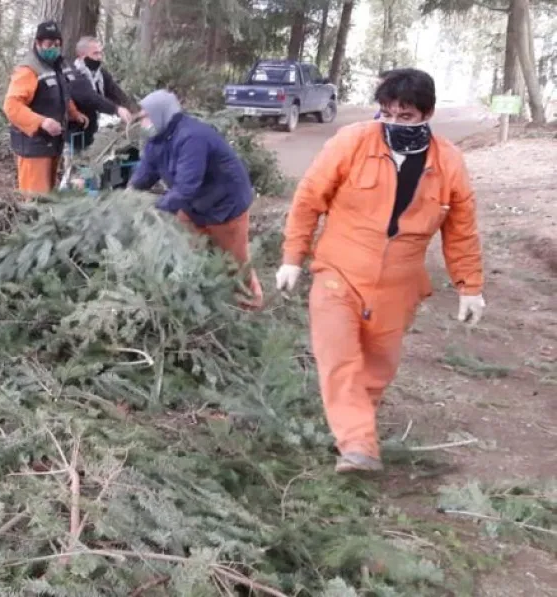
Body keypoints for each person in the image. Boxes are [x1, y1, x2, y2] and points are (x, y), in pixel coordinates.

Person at [275, 68, 485, 473]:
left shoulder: (448, 163)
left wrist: (470, 286)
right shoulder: (352, 142)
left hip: (399, 285)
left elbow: (461, 230)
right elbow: (308, 199)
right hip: (338, 272)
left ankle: (353, 433)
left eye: (405, 116)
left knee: (377, 367)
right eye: (387, 114)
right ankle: (358, 444)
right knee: (339, 357)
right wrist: (292, 257)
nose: (394, 123)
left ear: (427, 115)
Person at [129, 90, 264, 309]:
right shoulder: (157, 140)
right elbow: (146, 173)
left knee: (235, 262)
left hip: (225, 205)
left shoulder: (192, 137)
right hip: (194, 205)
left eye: (146, 116)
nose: (144, 123)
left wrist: (155, 208)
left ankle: (251, 304)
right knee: (185, 250)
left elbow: (186, 187)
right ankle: (200, 301)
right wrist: (127, 195)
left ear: (161, 113)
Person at [2, 21, 88, 195]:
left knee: (49, 197)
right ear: (38, 43)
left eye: (57, 44)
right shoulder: (28, 70)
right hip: (33, 147)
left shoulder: (57, 66)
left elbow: (61, 95)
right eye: (49, 44)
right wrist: (41, 122)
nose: (54, 49)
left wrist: (73, 113)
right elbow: (11, 106)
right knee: (35, 200)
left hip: (52, 144)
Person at [66, 36, 133, 152]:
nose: (100, 57)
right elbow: (90, 98)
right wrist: (116, 109)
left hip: (92, 132)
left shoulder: (100, 74)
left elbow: (115, 92)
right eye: (95, 54)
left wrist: (133, 109)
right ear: (82, 55)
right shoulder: (72, 75)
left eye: (101, 53)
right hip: (72, 134)